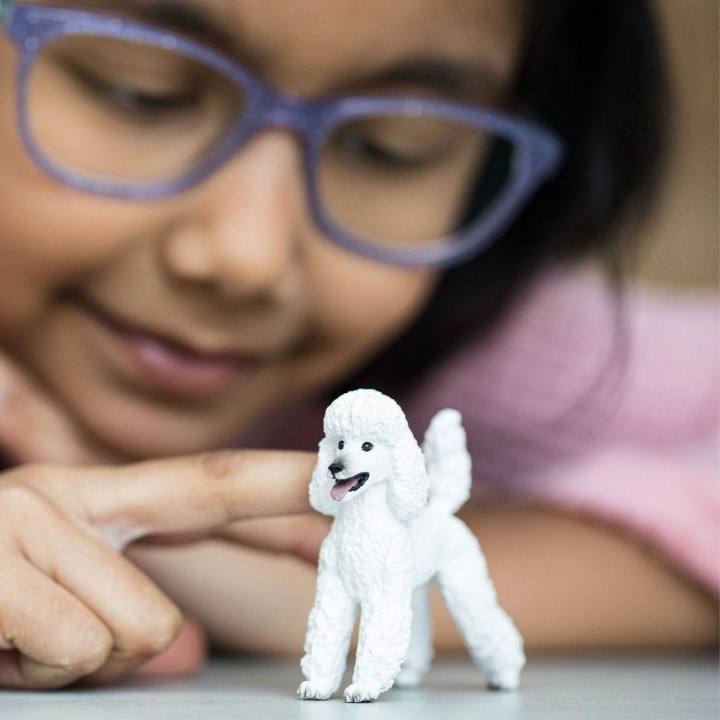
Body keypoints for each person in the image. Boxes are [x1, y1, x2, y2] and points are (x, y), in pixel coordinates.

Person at [0, 0, 716, 690]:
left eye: (389, 148)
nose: (248, 257)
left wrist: (336, 587)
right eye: (139, 91)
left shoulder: (454, 337)